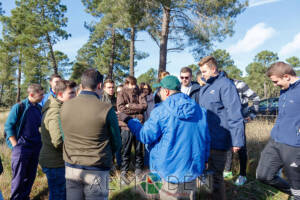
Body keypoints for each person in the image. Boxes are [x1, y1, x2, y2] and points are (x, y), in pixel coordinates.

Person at [119, 75, 210, 200]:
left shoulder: (161, 111)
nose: (159, 93)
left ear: (166, 91)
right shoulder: (199, 110)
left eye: (160, 90)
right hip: (191, 170)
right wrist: (204, 159)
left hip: (168, 171)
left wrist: (129, 120)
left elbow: (145, 136)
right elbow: (205, 138)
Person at [60, 69, 121, 200]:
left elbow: (64, 135)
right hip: (96, 168)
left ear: (81, 85)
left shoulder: (65, 106)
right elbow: (116, 141)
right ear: (100, 86)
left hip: (71, 166)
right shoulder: (106, 108)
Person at [196, 56, 245, 200]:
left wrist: (237, 140)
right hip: (205, 139)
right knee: (207, 178)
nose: (202, 74)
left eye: (204, 71)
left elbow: (234, 113)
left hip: (219, 139)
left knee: (215, 179)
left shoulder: (225, 85)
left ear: (213, 69)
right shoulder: (206, 86)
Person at [256, 62, 300, 200]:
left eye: (276, 81)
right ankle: (294, 194)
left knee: (296, 185)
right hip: (275, 141)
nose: (275, 85)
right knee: (263, 175)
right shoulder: (284, 90)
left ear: (286, 76)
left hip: (293, 145)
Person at [4, 84, 44, 200]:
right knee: (18, 178)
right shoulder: (19, 107)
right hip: (21, 148)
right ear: (31, 94)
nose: (42, 97)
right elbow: (8, 126)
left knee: (30, 176)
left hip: (35, 147)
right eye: (40, 94)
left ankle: (25, 197)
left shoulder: (38, 108)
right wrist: (15, 145)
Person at [39, 80, 77, 200]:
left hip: (59, 161)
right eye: (71, 93)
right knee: (59, 195)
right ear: (60, 95)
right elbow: (58, 141)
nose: (75, 96)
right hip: (55, 163)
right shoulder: (55, 113)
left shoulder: (62, 107)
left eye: (75, 92)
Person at [224, 77, 260, 186]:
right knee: (228, 147)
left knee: (241, 148)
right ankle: (227, 174)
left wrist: (252, 114)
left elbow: (256, 98)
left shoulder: (240, 85)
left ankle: (242, 175)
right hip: (226, 121)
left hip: (239, 121)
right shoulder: (221, 86)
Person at [117, 76, 147, 183]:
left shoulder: (140, 93)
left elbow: (144, 106)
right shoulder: (121, 93)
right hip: (126, 125)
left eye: (135, 84)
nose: (134, 86)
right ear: (127, 84)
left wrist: (130, 105)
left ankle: (138, 171)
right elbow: (121, 109)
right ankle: (124, 172)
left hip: (139, 125)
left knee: (139, 150)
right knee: (126, 150)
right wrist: (136, 110)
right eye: (132, 84)